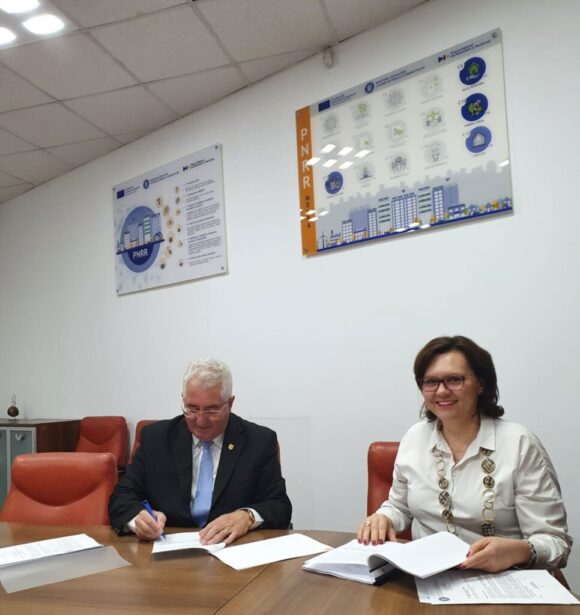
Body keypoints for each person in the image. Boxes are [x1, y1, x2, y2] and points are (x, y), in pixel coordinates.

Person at [358, 336, 572, 572]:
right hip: (427, 577)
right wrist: (384, 517)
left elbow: (556, 542)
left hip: (504, 579)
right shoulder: (415, 437)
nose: (441, 391)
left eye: (454, 380)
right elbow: (399, 507)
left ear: (481, 384)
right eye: (431, 382)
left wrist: (518, 551)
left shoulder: (519, 444)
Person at [109, 358, 292, 545]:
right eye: (192, 408)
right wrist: (137, 519)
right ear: (183, 399)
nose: (201, 420)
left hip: (232, 549)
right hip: (168, 551)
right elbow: (122, 497)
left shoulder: (259, 441)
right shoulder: (156, 439)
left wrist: (248, 517)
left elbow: (279, 505)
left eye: (212, 410)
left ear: (230, 403)